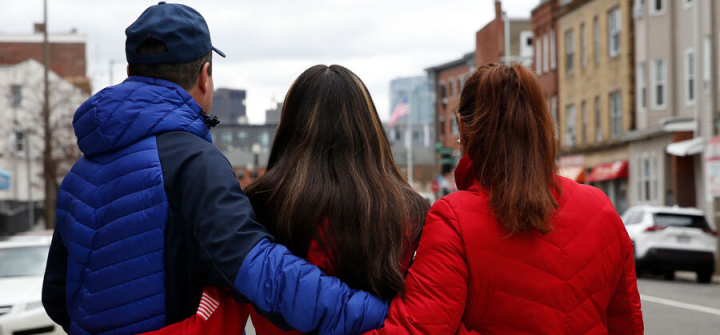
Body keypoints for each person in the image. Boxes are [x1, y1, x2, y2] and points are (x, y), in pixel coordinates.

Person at [41, 3, 388, 335]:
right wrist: (370, 310)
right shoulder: (193, 162)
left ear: (130, 74)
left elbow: (57, 296)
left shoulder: (79, 174)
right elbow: (261, 272)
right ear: (205, 77)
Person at [142, 64, 430, 335]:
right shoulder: (410, 212)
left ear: (289, 127)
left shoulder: (257, 205)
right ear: (370, 128)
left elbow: (218, 313)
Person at [364, 63, 644, 334]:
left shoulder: (453, 218)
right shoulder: (600, 208)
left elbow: (419, 328)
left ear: (463, 127)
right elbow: (626, 323)